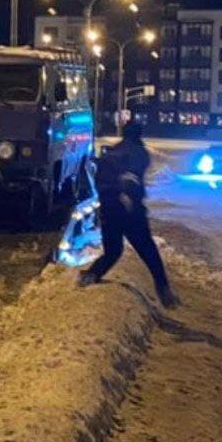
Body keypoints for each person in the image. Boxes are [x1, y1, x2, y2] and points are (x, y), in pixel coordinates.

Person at [78, 121, 178, 307]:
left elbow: (101, 179)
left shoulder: (114, 152)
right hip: (131, 211)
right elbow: (133, 177)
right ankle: (163, 288)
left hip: (109, 209)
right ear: (139, 134)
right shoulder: (139, 153)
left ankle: (90, 276)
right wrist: (127, 195)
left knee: (113, 251)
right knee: (148, 251)